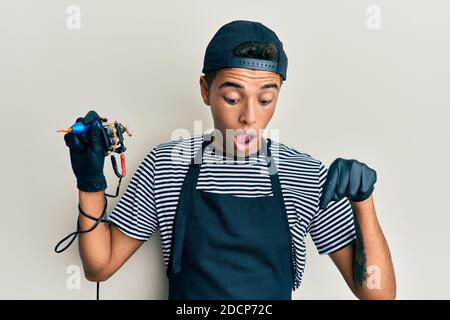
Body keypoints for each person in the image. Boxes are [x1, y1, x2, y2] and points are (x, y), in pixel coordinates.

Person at [64, 20, 396, 300]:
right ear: (205, 90)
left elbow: (378, 294)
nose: (249, 116)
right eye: (233, 97)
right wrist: (90, 183)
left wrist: (363, 202)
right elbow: (100, 266)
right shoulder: (167, 165)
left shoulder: (305, 174)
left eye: (265, 99)